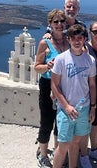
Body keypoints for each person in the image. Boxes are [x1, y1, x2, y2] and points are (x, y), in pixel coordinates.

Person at [51, 24, 97, 168]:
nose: (76, 41)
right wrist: (66, 106)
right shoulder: (60, 59)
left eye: (80, 38)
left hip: (83, 108)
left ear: (84, 39)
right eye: (73, 38)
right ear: (68, 39)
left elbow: (92, 85)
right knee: (63, 144)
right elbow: (54, 85)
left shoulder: (90, 60)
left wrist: (93, 108)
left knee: (76, 142)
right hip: (66, 110)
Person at [34, 9, 69, 168]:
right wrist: (47, 66)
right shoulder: (45, 42)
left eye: (62, 21)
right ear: (50, 24)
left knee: (60, 121)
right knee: (47, 121)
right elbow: (36, 67)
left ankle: (57, 152)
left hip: (64, 84)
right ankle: (42, 154)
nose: (60, 24)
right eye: (56, 22)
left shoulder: (68, 41)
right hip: (48, 84)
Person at [79, 21, 97, 167]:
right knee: (86, 125)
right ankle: (83, 155)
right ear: (89, 32)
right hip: (89, 92)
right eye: (95, 31)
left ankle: (94, 149)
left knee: (96, 123)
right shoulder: (86, 49)